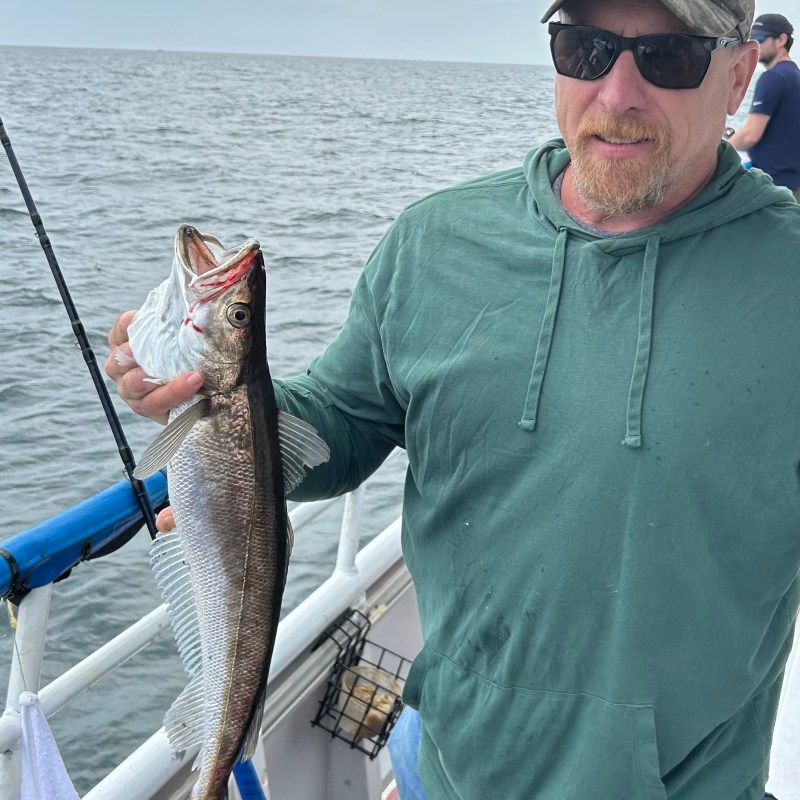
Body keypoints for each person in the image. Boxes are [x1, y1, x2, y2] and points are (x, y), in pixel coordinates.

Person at [106, 0, 800, 797]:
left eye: (668, 58)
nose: (616, 93)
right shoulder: (434, 240)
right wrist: (208, 402)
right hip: (445, 768)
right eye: (584, 48)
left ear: (738, 75)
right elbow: (342, 422)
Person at [727, 13, 800, 199]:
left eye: (760, 39)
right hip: (793, 185)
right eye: (752, 40)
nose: (755, 45)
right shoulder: (794, 75)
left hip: (772, 187)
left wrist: (720, 149)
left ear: (781, 40)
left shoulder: (773, 77)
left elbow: (751, 135)